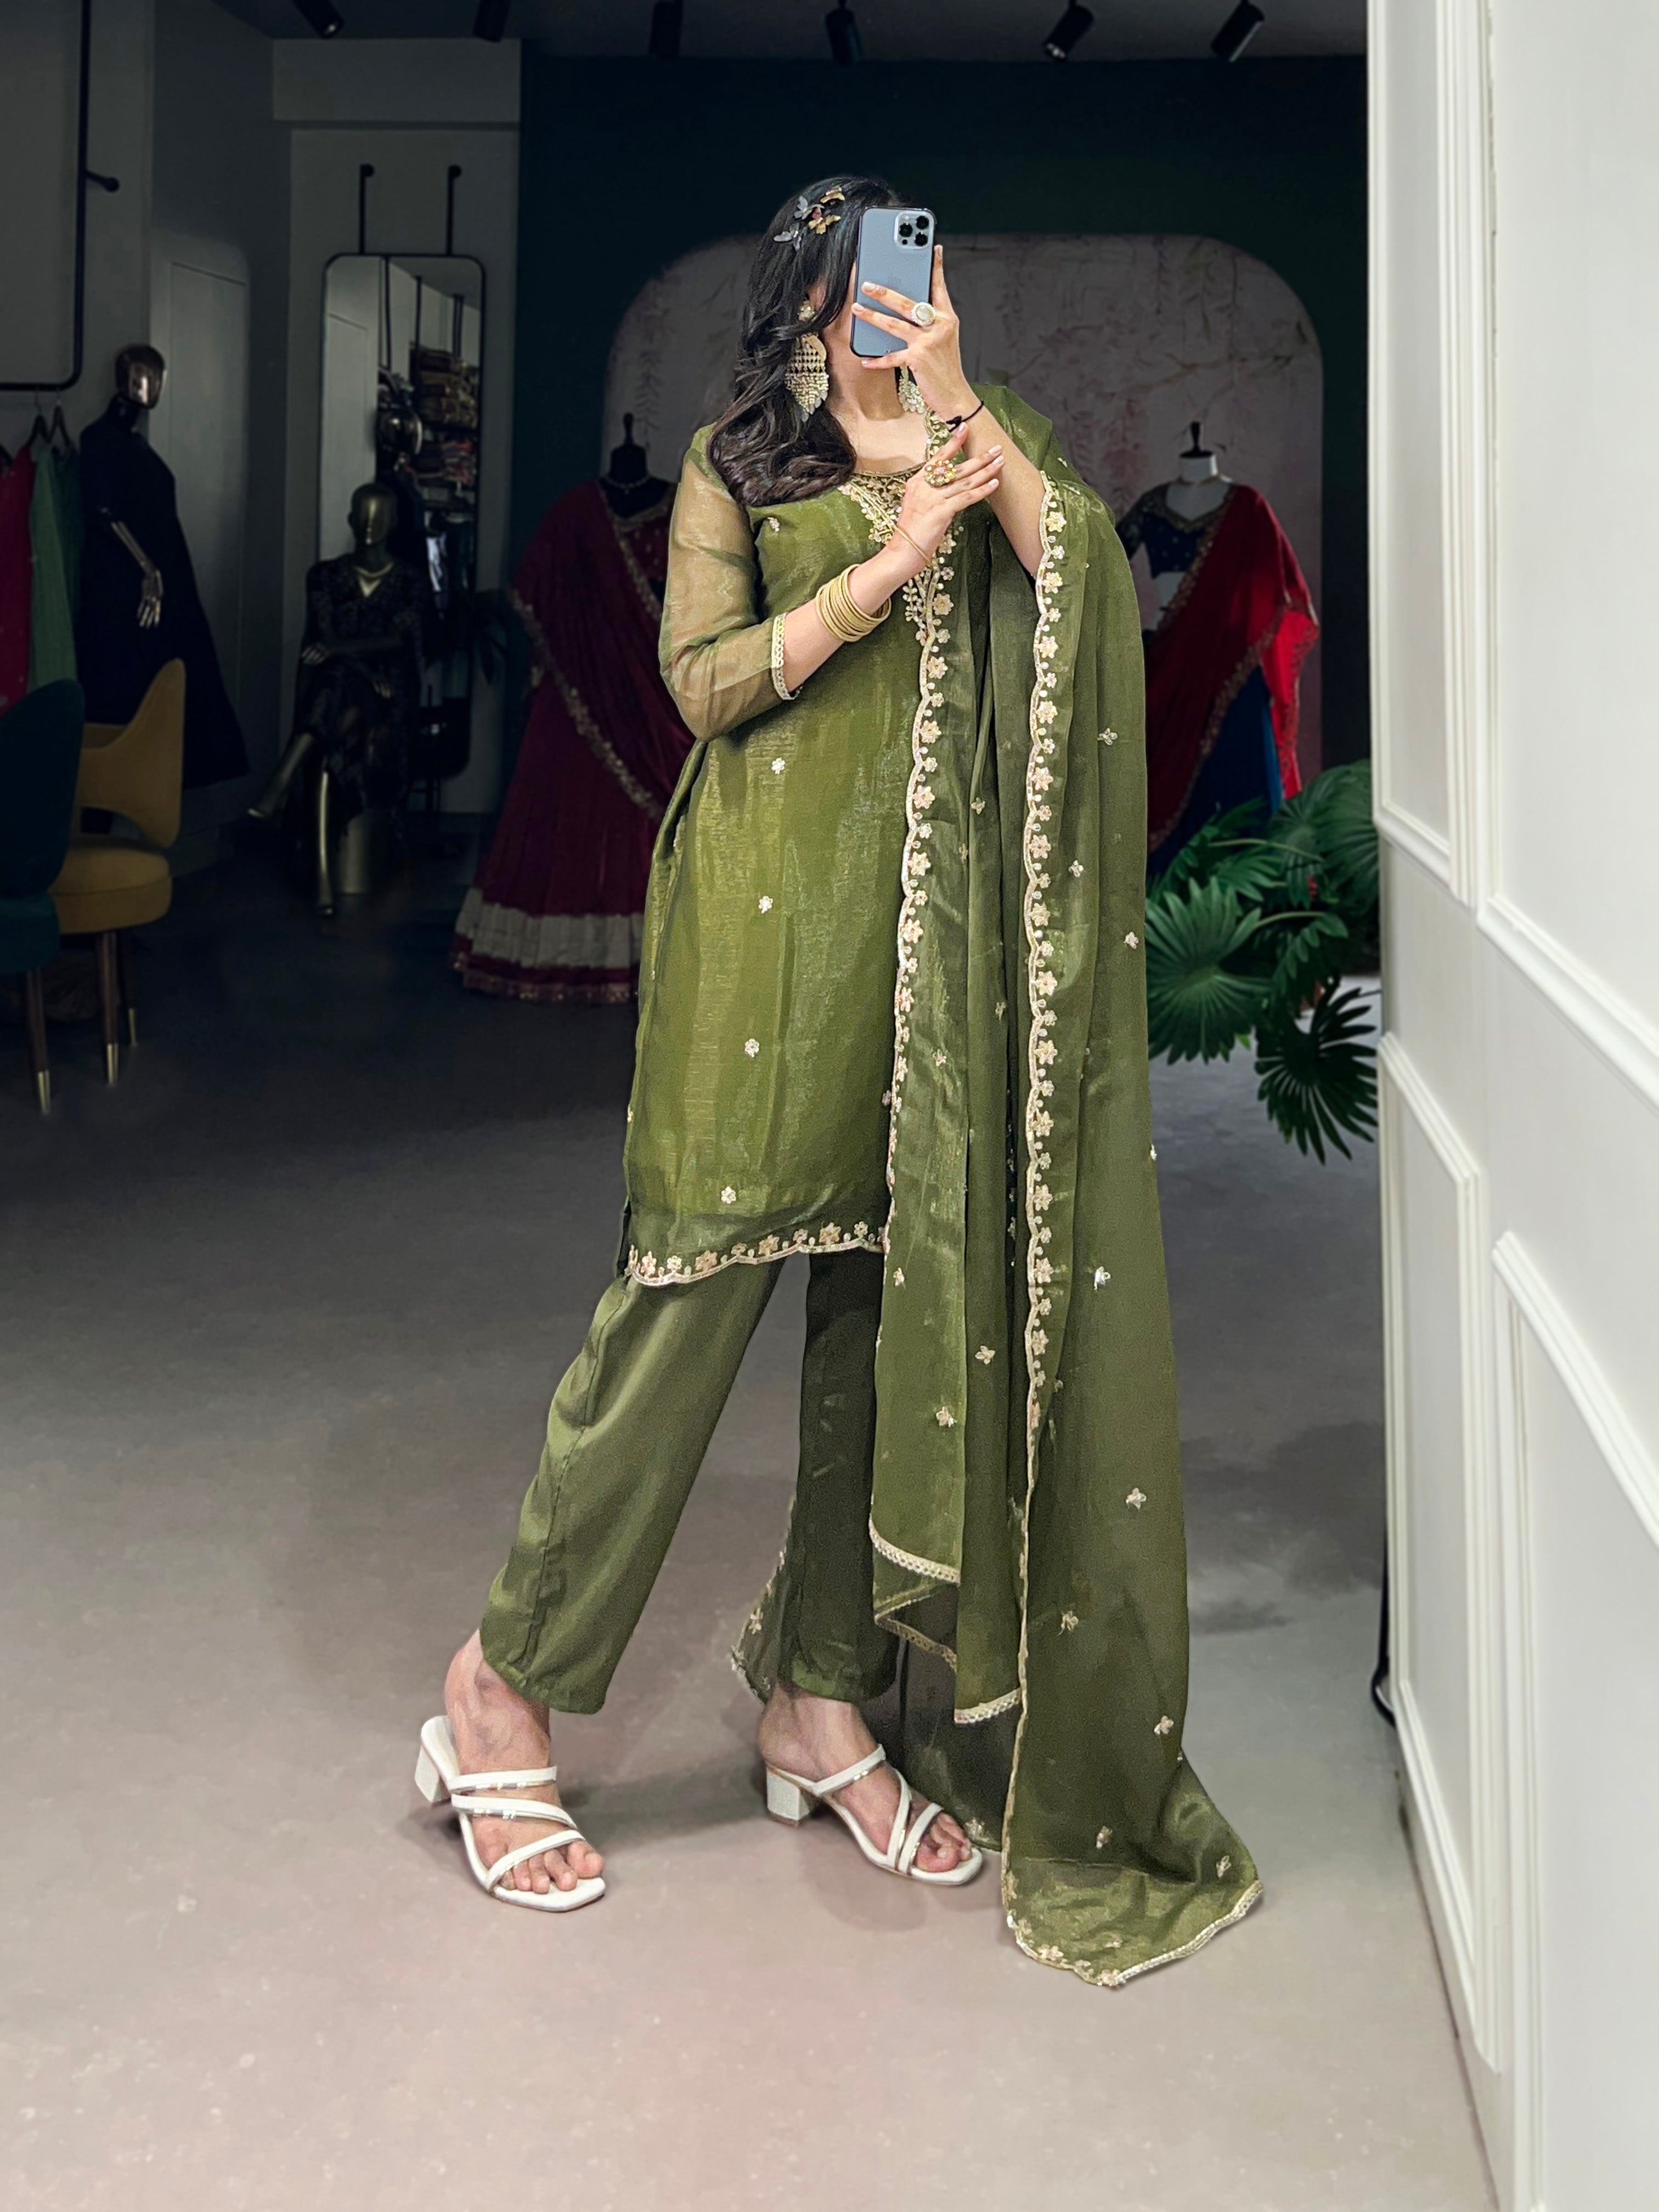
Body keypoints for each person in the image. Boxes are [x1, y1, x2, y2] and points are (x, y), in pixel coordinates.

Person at [419, 177, 1260, 1984]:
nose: (897, 292)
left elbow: (1081, 581)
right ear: (805, 290)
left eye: (919, 263)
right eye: (868, 269)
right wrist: (880, 577)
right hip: (764, 937)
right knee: (680, 1310)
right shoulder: (741, 457)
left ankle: (819, 1697)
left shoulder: (981, 422)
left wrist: (955, 405)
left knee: (886, 1328)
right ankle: (501, 1687)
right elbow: (701, 686)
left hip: (927, 962)